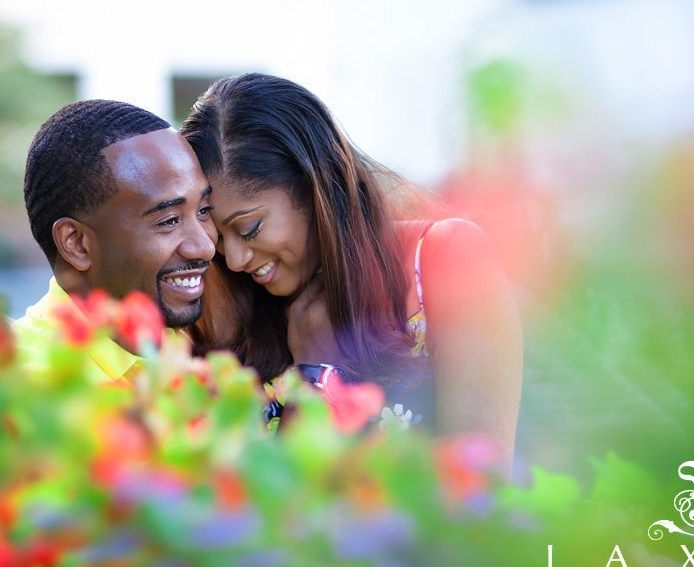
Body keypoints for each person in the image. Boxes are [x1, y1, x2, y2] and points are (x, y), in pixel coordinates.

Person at [181, 73, 522, 464]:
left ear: (315, 187)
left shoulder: (442, 259)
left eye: (250, 228)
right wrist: (310, 370)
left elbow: (481, 485)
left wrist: (322, 373)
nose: (237, 260)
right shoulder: (229, 304)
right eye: (219, 238)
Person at [14, 99, 217, 384]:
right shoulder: (16, 384)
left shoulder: (203, 346)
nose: (205, 248)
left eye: (204, 211)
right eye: (169, 221)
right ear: (76, 243)